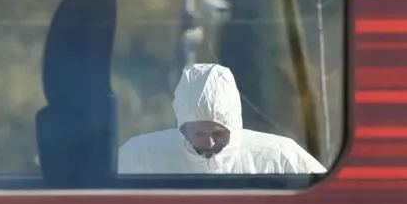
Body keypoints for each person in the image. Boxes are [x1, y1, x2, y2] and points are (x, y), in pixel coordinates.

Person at [118, 63, 327, 174]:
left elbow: (329, 201)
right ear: (183, 129)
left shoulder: (278, 158)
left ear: (234, 127)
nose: (209, 142)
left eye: (218, 133)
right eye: (199, 133)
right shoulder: (141, 156)